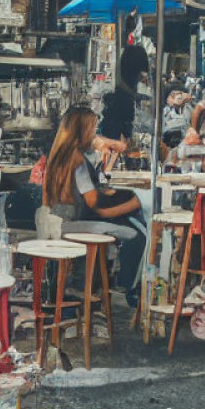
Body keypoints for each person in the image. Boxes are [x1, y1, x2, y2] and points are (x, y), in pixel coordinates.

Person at [43, 107, 146, 305]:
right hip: (72, 224)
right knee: (135, 235)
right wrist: (135, 203)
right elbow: (97, 207)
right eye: (91, 128)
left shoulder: (61, 154)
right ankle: (127, 289)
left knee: (121, 224)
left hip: (57, 221)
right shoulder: (78, 160)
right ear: (81, 130)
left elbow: (86, 193)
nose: (94, 132)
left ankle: (101, 283)